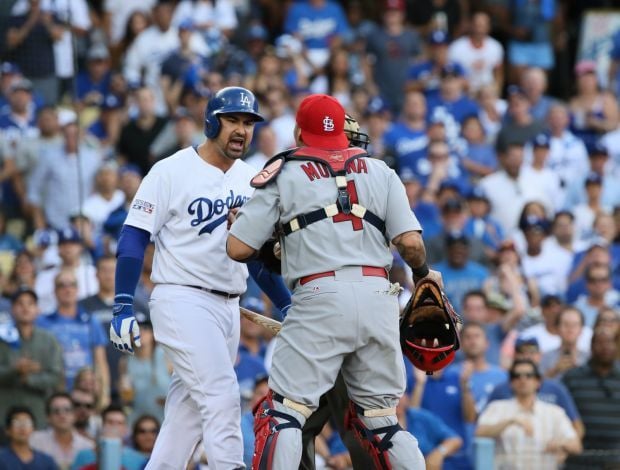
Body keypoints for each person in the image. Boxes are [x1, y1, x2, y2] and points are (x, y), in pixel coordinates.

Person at [227, 93, 442, 468]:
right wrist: (424, 276)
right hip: (379, 295)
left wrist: (267, 238)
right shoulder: (382, 171)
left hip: (319, 295)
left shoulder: (285, 169)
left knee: (284, 413)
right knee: (381, 419)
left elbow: (238, 248)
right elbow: (410, 244)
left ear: (297, 131)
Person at [109, 86, 289, 469]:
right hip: (182, 298)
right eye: (233, 120)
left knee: (188, 413)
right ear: (211, 121)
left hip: (228, 307)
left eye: (248, 122)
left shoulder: (250, 180)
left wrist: (288, 303)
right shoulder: (172, 169)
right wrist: (123, 301)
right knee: (221, 393)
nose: (241, 130)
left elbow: (254, 258)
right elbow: (134, 234)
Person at [476, 359, 582, 469]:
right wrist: (510, 421)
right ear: (511, 383)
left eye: (529, 375)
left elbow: (577, 446)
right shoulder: (497, 408)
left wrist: (561, 444)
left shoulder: (554, 412)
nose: (523, 379)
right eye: (517, 376)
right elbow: (479, 432)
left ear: (538, 382)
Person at [0, 287, 63, 430]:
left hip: (38, 415)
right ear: (12, 309)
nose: (25, 308)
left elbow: (56, 377)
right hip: (4, 417)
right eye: (20, 304)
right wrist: (15, 369)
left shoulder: (48, 340)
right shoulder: (2, 338)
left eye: (30, 303)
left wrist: (27, 379)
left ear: (37, 309)